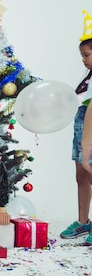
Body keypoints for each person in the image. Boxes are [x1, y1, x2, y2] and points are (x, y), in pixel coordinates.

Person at [63, 12, 92, 240]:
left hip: (89, 130)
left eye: (87, 55)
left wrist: (86, 142)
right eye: (82, 55)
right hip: (81, 125)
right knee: (81, 176)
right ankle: (83, 222)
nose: (83, 59)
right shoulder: (87, 75)